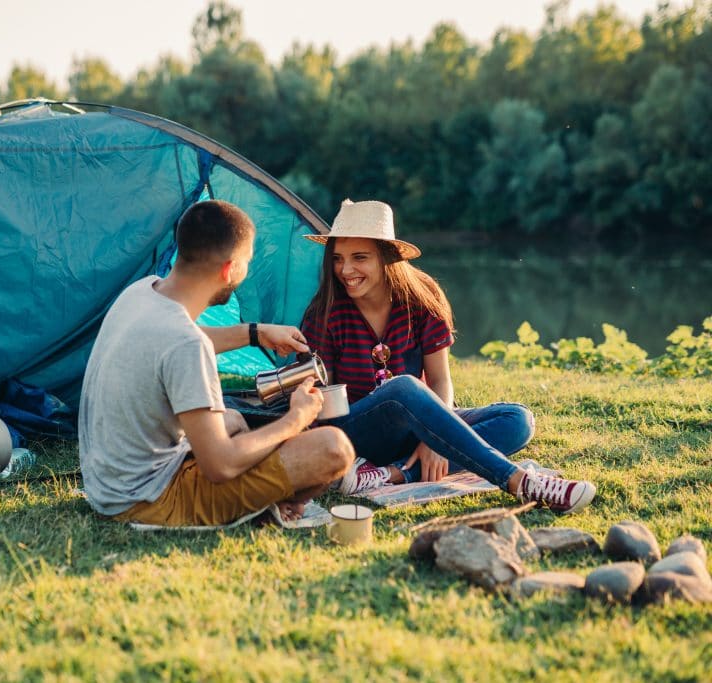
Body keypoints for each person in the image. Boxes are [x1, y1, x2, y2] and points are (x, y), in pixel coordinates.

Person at [300, 199, 595, 513]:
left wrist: (434, 441)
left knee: (518, 421)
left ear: (387, 257)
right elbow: (324, 410)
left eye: (360, 258)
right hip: (355, 434)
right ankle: (519, 481)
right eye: (338, 259)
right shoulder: (326, 312)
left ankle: (392, 474)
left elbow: (440, 380)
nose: (346, 270)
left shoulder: (422, 298)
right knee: (403, 389)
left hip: (413, 430)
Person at [78, 199, 355, 526]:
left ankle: (262, 495)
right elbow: (219, 466)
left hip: (107, 483)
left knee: (235, 419)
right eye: (247, 261)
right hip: (148, 500)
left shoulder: (141, 293)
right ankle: (269, 505)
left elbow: (179, 341)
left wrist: (256, 333)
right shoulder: (185, 344)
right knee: (334, 448)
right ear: (229, 269)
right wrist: (296, 418)